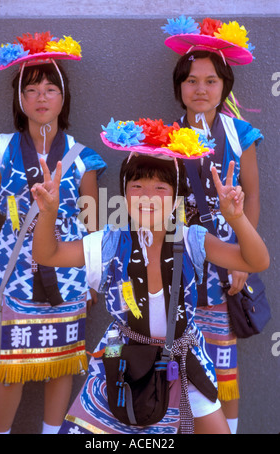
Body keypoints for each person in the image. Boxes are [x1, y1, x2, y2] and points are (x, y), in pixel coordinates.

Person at [31, 120, 269, 434]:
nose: (148, 196)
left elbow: (257, 260)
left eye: (160, 187)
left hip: (181, 361)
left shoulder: (191, 239)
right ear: (124, 193)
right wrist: (47, 214)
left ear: (175, 196)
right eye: (137, 186)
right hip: (122, 360)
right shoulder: (110, 242)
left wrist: (237, 219)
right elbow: (47, 255)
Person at [0, 32, 107, 434]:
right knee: (12, 367)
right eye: (31, 89)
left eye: (51, 89)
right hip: (15, 272)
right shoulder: (0, 149)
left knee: (62, 363)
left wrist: (91, 279)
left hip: (68, 272)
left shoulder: (82, 154)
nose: (41, 98)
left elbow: (94, 224)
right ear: (19, 98)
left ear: (63, 97)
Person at [162, 16, 263, 433]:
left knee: (222, 361)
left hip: (226, 270)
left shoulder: (240, 134)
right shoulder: (164, 137)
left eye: (210, 81)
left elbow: (253, 195)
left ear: (225, 87)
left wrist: (242, 260)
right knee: (178, 361)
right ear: (179, 87)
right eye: (191, 80)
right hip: (180, 267)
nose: (200, 89)